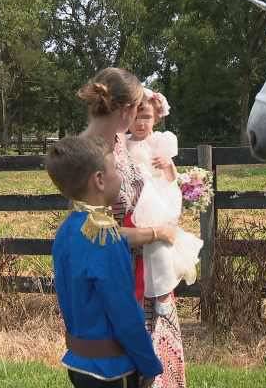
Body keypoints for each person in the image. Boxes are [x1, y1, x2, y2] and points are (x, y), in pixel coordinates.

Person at [78, 69, 186, 388]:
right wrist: (157, 234)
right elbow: (94, 233)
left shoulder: (119, 144)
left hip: (146, 269)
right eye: (137, 109)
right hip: (119, 278)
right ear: (126, 110)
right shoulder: (89, 154)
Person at [45, 136, 161, 388]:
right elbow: (125, 313)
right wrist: (149, 364)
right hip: (112, 370)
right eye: (115, 170)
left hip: (79, 363)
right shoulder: (105, 237)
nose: (119, 176)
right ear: (99, 180)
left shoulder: (66, 230)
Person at [127, 88, 201, 323]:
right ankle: (140, 299)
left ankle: (162, 294)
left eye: (146, 117)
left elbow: (171, 178)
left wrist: (168, 165)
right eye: (135, 117)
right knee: (144, 247)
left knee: (159, 245)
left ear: (157, 118)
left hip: (156, 200)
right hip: (132, 199)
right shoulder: (122, 144)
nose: (140, 123)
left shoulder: (160, 141)